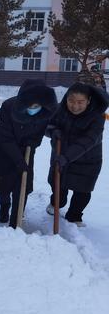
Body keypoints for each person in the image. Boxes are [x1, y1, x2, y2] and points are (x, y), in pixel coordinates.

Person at [0, 79, 57, 229]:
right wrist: (19, 161)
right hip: (2, 149)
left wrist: (33, 143)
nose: (33, 108)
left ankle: (16, 219)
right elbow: (5, 137)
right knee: (1, 184)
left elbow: (38, 134)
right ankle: (4, 205)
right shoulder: (8, 107)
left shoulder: (44, 112)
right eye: (30, 105)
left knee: (22, 185)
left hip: (26, 150)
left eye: (37, 106)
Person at [46, 82, 109, 226]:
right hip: (60, 156)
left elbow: (89, 140)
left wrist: (66, 157)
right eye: (71, 101)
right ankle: (56, 203)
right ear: (66, 99)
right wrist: (52, 131)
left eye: (80, 102)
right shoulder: (60, 110)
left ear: (88, 101)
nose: (75, 106)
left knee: (82, 191)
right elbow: (49, 125)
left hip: (87, 159)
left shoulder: (97, 116)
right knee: (58, 187)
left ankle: (74, 215)